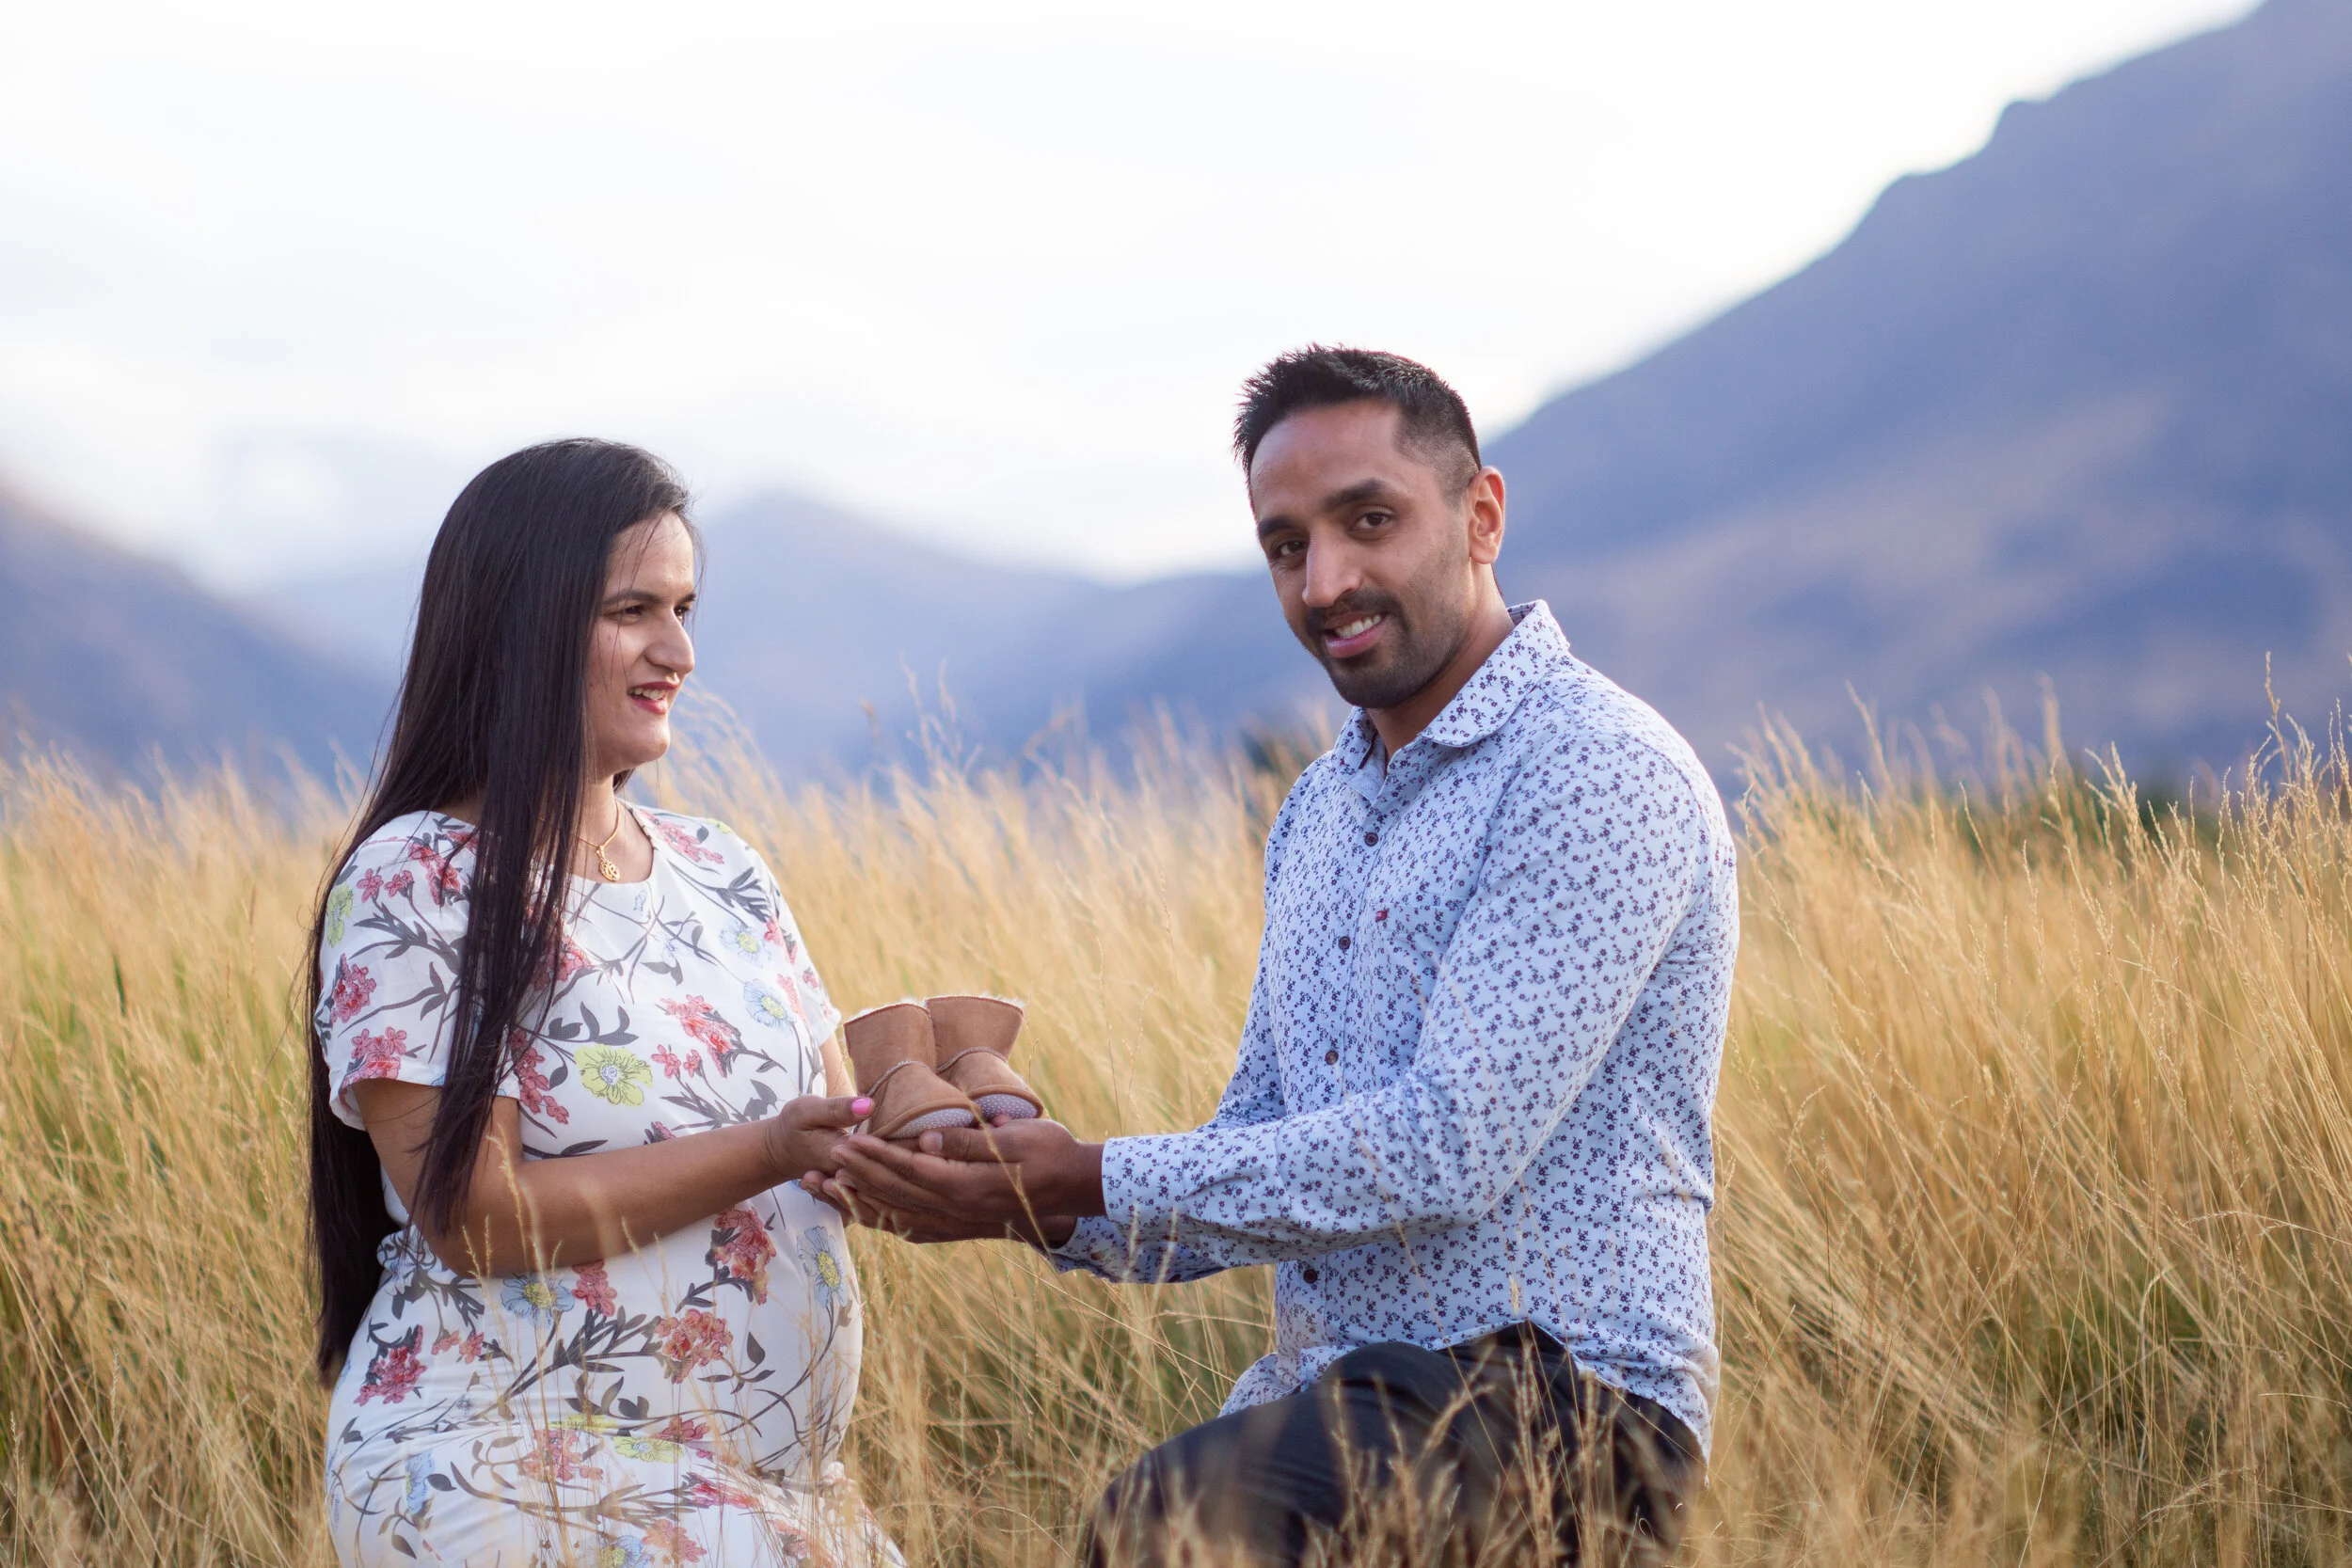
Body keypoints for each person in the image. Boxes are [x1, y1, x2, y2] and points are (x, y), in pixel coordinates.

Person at [813, 348, 1740, 1565]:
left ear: (1482, 514)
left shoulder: (1590, 767)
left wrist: (1081, 1173)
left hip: (1566, 1402)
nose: (1328, 579)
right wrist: (1006, 1196)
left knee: (1179, 1519)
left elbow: (1449, 1145)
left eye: (1370, 520)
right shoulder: (1317, 811)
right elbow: (1254, 1145)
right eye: (1287, 544)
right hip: (1342, 1398)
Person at [306, 439, 898, 1566]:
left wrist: (935, 1112)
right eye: (634, 610)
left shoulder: (727, 869)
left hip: (769, 1483)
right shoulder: (417, 878)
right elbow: (471, 1213)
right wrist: (770, 1146)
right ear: (521, 625)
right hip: (511, 1452)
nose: (677, 650)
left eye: (684, 607)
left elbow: (834, 1129)